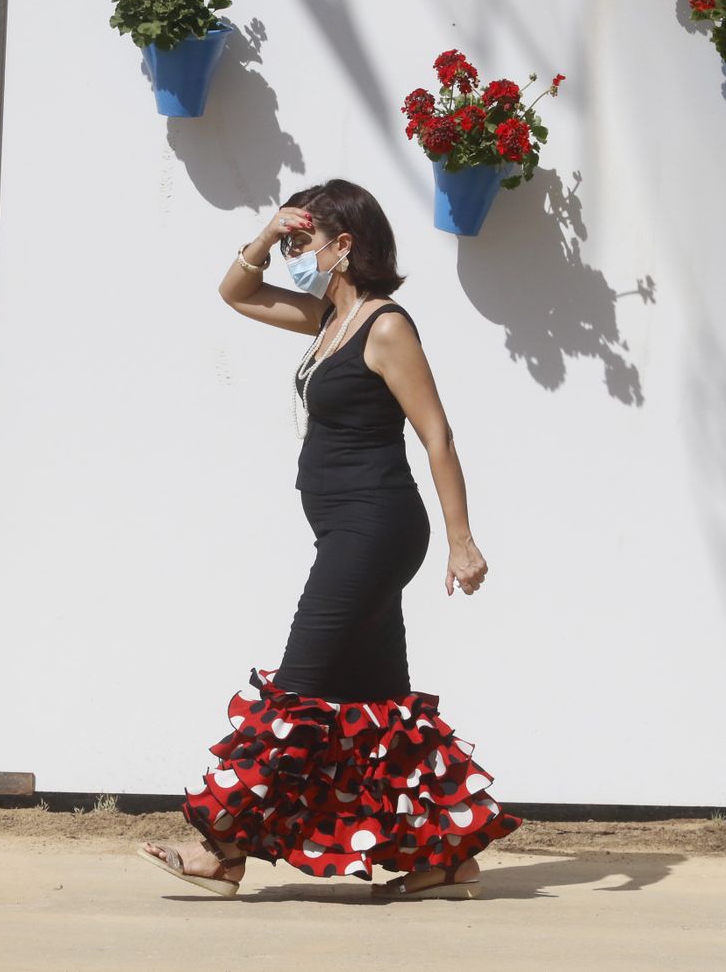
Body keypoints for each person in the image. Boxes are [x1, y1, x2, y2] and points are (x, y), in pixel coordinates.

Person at [137, 179, 519, 900]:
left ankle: (223, 850)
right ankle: (443, 857)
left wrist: (461, 540)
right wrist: (264, 234)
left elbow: (436, 433)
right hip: (346, 529)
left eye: (301, 243)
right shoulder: (327, 319)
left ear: (344, 246)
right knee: (383, 705)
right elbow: (236, 292)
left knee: (297, 688)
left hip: (375, 528)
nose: (292, 257)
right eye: (288, 245)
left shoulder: (384, 327)